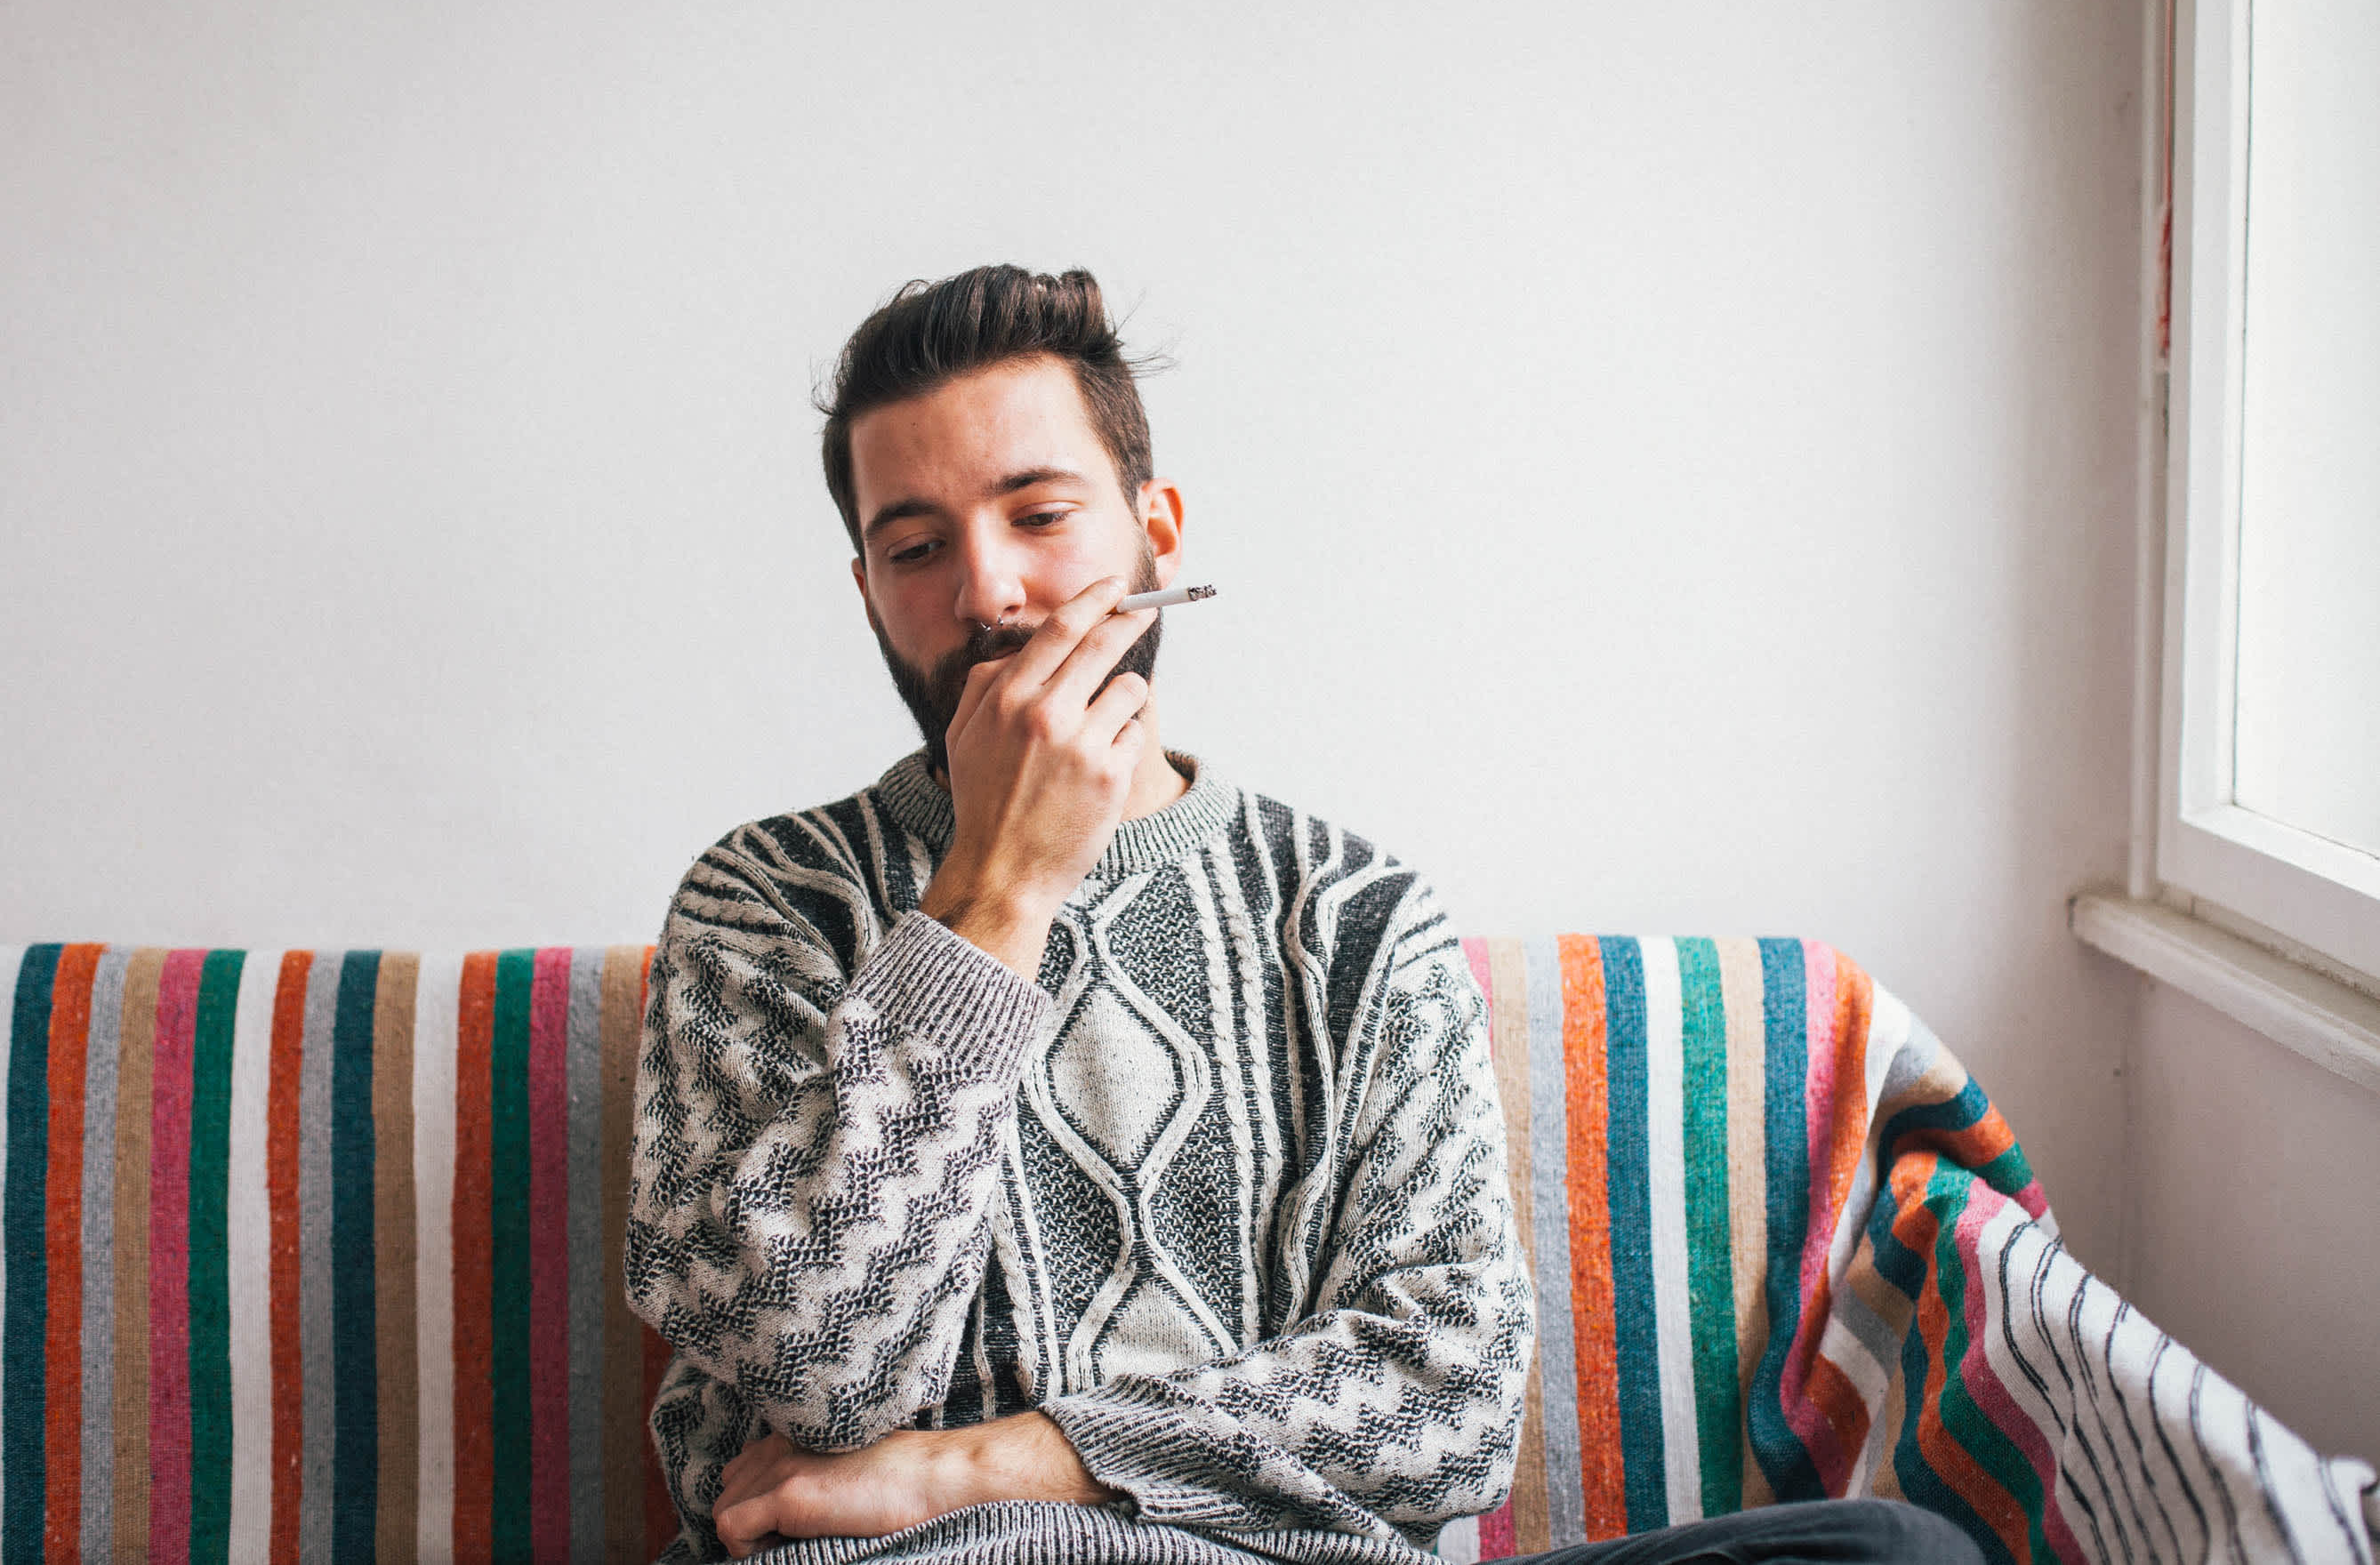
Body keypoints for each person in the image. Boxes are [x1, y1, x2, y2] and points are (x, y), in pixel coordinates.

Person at [623, 267, 1982, 1565]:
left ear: (1156, 532)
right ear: (867, 589)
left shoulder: (1357, 916)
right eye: (917, 547)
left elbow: (1453, 1400)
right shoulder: (764, 901)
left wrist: (977, 1461)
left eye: (1039, 514)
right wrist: (999, 886)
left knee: (1898, 1551)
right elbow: (816, 1367)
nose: (987, 593)